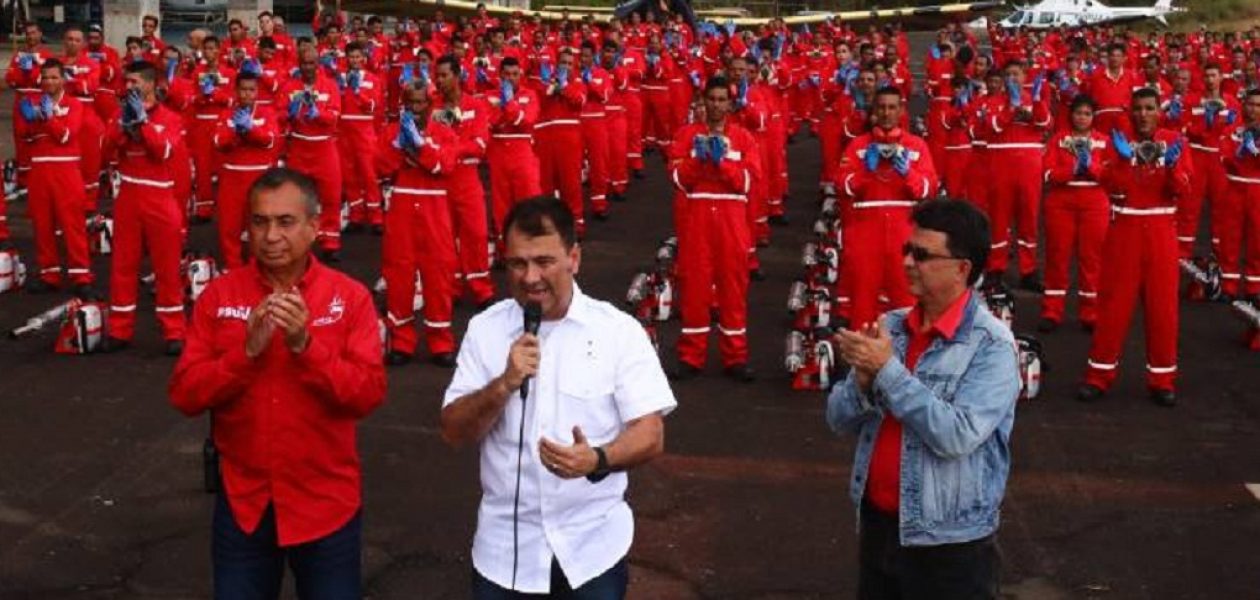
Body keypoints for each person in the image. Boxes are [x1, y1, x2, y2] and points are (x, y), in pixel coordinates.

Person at [442, 196, 675, 599]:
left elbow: (651, 433)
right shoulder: (485, 330)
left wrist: (598, 459)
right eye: (517, 264)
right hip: (504, 555)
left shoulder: (617, 332)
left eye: (544, 262)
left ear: (574, 259)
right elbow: (454, 431)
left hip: (590, 552)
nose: (530, 277)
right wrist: (503, 384)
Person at [169, 167, 385, 600]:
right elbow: (185, 394)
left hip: (326, 507)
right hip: (244, 506)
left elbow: (366, 395)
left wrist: (306, 346)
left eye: (285, 222)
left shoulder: (350, 298)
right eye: (259, 221)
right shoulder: (219, 296)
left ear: (314, 226)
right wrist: (245, 354)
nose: (270, 236)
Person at [827, 199, 1019, 600]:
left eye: (922, 254)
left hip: (950, 546)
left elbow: (957, 435)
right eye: (907, 250)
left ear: (962, 268)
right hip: (880, 529)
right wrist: (860, 383)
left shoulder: (992, 346)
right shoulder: (892, 327)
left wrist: (887, 372)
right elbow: (837, 419)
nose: (908, 262)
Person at [1079, 88, 1193, 406]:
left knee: (1163, 309)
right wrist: (1123, 159)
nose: (1143, 114)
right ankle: (1098, 376)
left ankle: (1162, 379)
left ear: (1159, 111)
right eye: (1138, 108)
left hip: (1161, 229)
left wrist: (1171, 166)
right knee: (1113, 306)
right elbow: (1110, 184)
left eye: (1149, 108)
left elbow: (1182, 189)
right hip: (1125, 228)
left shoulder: (1174, 141)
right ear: (1130, 112)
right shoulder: (1119, 142)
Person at [668, 76, 760, 382]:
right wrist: (698, 160)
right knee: (694, 288)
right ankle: (690, 356)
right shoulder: (686, 135)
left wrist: (722, 163)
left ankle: (736, 357)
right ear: (703, 102)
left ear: (730, 104)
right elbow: (678, 179)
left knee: (733, 289)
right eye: (712, 99)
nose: (717, 105)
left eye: (722, 100)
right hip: (697, 219)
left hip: (732, 221)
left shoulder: (744, 138)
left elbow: (748, 182)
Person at [103, 61, 187, 355]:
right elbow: (106, 148)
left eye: (134, 82)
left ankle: (174, 331)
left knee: (167, 268)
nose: (128, 87)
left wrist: (143, 125)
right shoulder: (120, 113)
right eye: (126, 82)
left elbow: (163, 151)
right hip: (128, 193)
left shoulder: (171, 118)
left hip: (159, 195)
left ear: (150, 84)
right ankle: (119, 330)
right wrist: (124, 127)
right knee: (122, 266)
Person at [375, 82, 460, 367]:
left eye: (421, 102)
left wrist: (421, 149)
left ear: (430, 104)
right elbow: (380, 167)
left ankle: (441, 342)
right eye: (411, 102)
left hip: (435, 209)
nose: (415, 108)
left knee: (438, 275)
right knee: (399, 274)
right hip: (402, 207)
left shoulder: (445, 133)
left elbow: (445, 166)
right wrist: (399, 148)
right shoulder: (391, 132)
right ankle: (402, 341)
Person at [16, 58, 93, 296]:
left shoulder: (74, 104)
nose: (49, 81)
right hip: (39, 171)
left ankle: (81, 277)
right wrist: (30, 121)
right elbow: (25, 136)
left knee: (73, 225)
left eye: (54, 77)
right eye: (46, 77)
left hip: (66, 171)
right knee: (42, 225)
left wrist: (48, 119)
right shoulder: (32, 103)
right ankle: (49, 275)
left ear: (63, 79)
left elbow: (66, 136)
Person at [1039, 95, 1110, 332]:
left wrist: (1090, 167)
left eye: (1087, 114)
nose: (1082, 118)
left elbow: (1111, 176)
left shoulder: (1103, 142)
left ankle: (1091, 312)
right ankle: (1051, 311)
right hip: (1061, 201)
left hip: (1094, 202)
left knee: (1092, 259)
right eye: (1078, 113)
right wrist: (1072, 169)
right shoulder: (1058, 140)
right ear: (1071, 115)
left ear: (1093, 117)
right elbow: (1047, 173)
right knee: (1057, 256)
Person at [213, 71, 280, 270]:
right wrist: (235, 132)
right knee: (229, 227)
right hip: (232, 178)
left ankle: (256, 267)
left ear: (257, 91)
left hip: (258, 178)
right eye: (243, 90)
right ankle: (233, 267)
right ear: (236, 91)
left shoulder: (267, 113)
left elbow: (270, 140)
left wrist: (251, 129)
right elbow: (218, 142)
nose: (247, 94)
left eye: (251, 90)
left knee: (259, 225)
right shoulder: (226, 114)